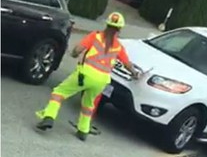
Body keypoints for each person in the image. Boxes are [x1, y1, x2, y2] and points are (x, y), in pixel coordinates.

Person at [35, 12, 141, 141]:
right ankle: (83, 130)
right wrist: (135, 73)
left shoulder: (95, 36)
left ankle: (49, 117)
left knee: (59, 92)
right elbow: (127, 64)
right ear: (120, 29)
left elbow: (78, 50)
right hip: (101, 81)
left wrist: (73, 53)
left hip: (85, 75)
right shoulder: (118, 47)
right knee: (88, 104)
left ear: (107, 24)